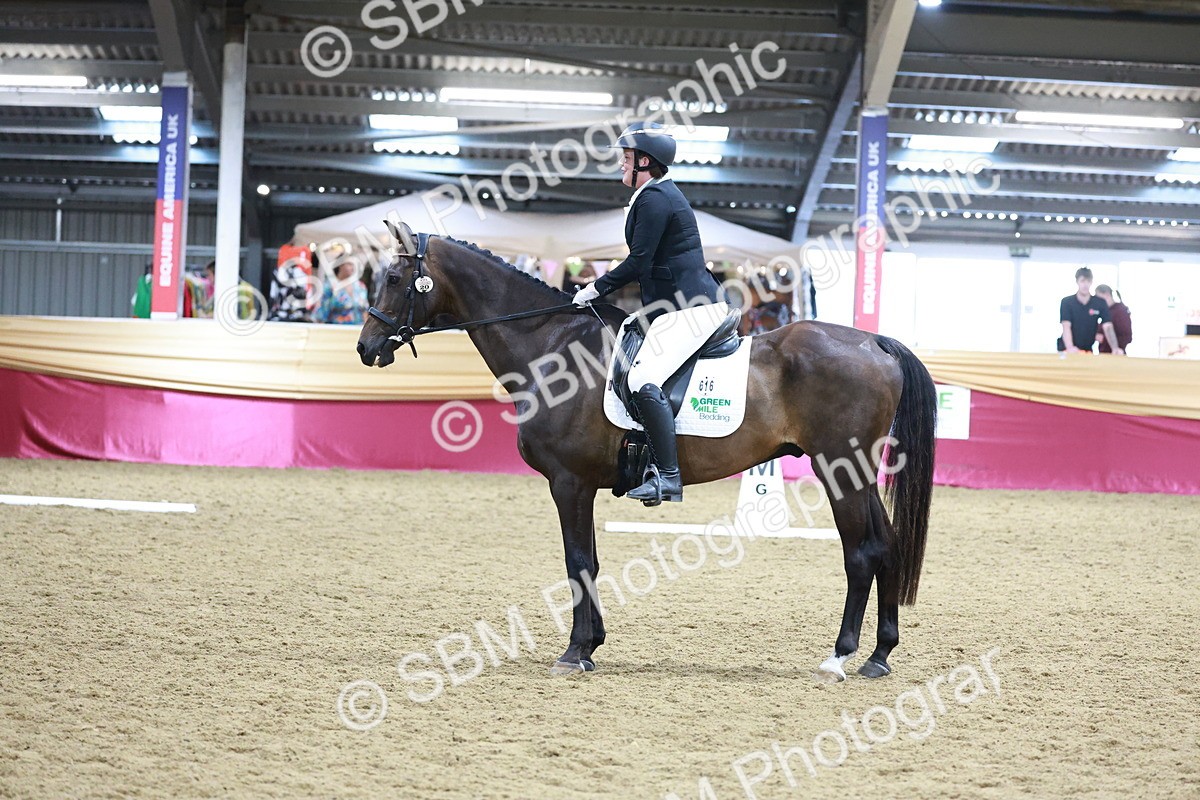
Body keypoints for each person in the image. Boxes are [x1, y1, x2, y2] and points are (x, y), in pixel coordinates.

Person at [572, 121, 727, 505]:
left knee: (643, 378)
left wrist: (595, 288)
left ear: (645, 161)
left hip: (692, 308)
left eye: (627, 159)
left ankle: (669, 477)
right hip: (669, 308)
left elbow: (639, 261)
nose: (622, 166)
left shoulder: (656, 199)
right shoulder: (653, 195)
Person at [1058, 267, 1122, 355]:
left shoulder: (1099, 303)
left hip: (1087, 349)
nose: (1085, 284)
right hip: (1067, 349)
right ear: (1077, 281)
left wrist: (1115, 348)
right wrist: (1070, 347)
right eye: (1083, 281)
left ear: (1091, 282)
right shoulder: (1067, 302)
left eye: (1088, 281)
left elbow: (1108, 326)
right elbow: (1066, 326)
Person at [314, 257, 368, 324]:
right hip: (336, 330)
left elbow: (365, 311)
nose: (352, 267)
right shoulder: (330, 287)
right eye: (349, 264)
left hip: (357, 330)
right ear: (340, 265)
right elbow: (321, 314)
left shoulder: (360, 287)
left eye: (354, 265)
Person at [1094, 284, 1132, 355]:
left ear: (1107, 294)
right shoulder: (1105, 312)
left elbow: (1127, 336)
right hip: (1103, 353)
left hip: (1116, 354)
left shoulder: (1120, 311)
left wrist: (1103, 339)